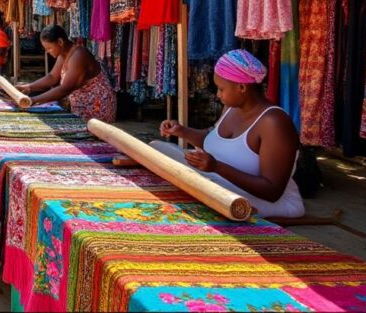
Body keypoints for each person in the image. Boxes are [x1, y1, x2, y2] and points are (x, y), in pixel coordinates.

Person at [150, 49, 305, 218]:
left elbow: (272, 191)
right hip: (218, 182)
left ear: (241, 87)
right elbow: (214, 141)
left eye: (221, 89)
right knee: (157, 149)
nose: (218, 94)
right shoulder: (231, 108)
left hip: (265, 201)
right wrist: (181, 131)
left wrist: (217, 167)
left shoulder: (274, 123)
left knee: (193, 188)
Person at [17, 25, 116, 121]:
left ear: (60, 42)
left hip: (97, 106)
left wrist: (33, 100)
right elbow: (52, 77)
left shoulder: (79, 55)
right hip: (82, 105)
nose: (47, 52)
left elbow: (65, 89)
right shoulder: (63, 54)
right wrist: (27, 87)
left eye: (49, 48)